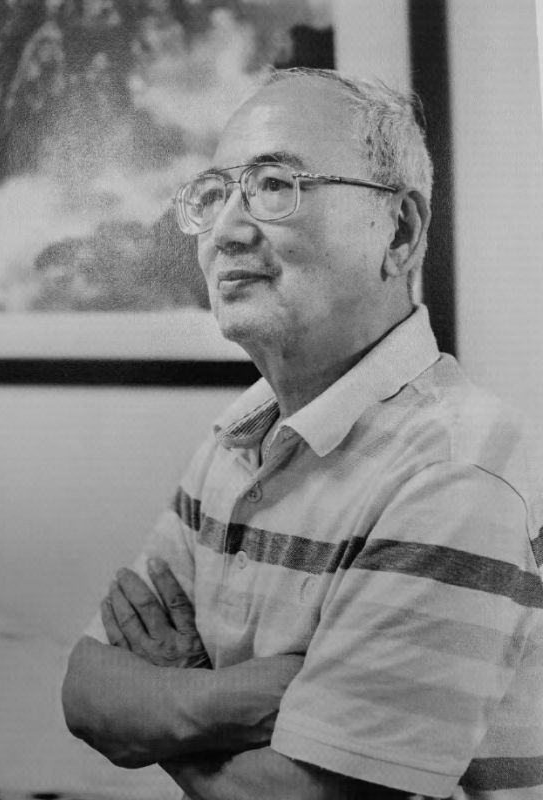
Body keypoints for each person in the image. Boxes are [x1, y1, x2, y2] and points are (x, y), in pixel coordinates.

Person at [61, 68, 543, 800]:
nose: (226, 231)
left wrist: (168, 703)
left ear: (400, 231)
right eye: (216, 193)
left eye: (275, 185)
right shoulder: (236, 441)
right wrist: (238, 697)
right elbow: (87, 689)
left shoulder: (454, 471)